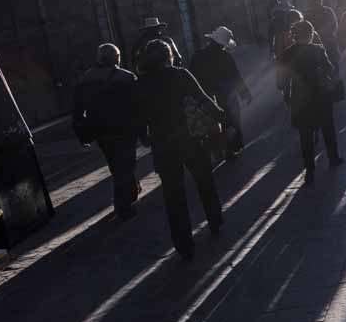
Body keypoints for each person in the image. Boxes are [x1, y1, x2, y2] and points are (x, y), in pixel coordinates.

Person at [137, 39, 225, 260]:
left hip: (162, 144)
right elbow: (203, 99)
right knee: (204, 180)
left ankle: (183, 243)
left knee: (173, 194)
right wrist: (223, 118)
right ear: (169, 56)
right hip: (190, 138)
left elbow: (137, 115)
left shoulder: (142, 83)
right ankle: (215, 220)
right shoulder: (180, 74)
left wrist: (144, 137)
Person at [72, 44, 142, 220]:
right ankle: (123, 204)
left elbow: (77, 109)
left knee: (116, 166)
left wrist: (82, 133)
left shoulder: (85, 79)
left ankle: (129, 193)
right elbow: (138, 105)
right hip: (125, 130)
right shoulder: (127, 77)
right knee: (126, 166)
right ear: (117, 58)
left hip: (101, 132)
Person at [282, 20, 343, 184]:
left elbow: (282, 80)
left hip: (300, 99)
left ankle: (310, 170)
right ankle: (333, 157)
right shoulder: (317, 50)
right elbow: (330, 69)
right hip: (320, 95)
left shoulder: (287, 53)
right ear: (310, 34)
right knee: (327, 127)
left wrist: (287, 95)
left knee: (305, 135)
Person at [189, 26, 253, 160]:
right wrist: (245, 93)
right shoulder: (225, 57)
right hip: (226, 95)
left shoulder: (198, 56)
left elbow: (191, 77)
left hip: (205, 95)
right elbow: (236, 77)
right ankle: (231, 148)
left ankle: (216, 149)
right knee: (231, 120)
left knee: (210, 123)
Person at [305, 0, 340, 69]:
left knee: (333, 67)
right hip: (316, 46)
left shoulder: (328, 11)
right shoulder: (308, 14)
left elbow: (334, 26)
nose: (317, 2)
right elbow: (306, 30)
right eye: (315, 0)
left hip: (328, 44)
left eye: (318, 0)